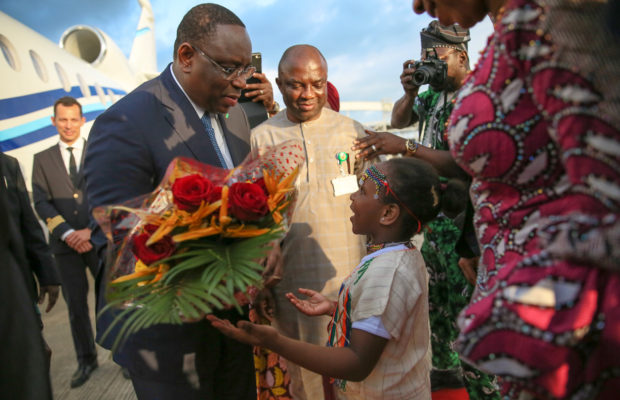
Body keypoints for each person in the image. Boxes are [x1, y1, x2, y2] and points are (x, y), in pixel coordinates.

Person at [412, 0, 620, 398]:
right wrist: (473, 243)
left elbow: (605, 187)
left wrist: (539, 298)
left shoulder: (557, 16)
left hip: (562, 316)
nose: (419, 6)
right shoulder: (508, 30)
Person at [84, 4, 258, 399]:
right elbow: (119, 238)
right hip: (167, 340)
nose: (240, 82)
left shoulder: (237, 117)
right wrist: (215, 274)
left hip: (232, 329)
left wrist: (265, 247)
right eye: (230, 68)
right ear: (185, 57)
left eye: (246, 69)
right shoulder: (127, 121)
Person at [209, 157, 461, 399]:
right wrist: (337, 309)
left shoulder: (387, 272)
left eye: (362, 191)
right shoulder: (396, 255)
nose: (352, 196)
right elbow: (387, 319)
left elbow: (356, 363)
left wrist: (275, 341)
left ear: (388, 213)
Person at [353, 21, 499, 399]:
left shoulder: (478, 97)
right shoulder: (432, 96)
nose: (427, 65)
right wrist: (411, 88)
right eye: (423, 58)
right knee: (438, 309)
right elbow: (401, 119)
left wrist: (406, 150)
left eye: (434, 58)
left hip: (469, 224)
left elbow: (466, 163)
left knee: (472, 316)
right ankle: (449, 376)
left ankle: (484, 387)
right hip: (435, 223)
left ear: (461, 56)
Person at [251, 44, 372, 399]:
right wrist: (259, 284)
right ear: (279, 83)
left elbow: (378, 203)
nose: (307, 95)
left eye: (317, 84)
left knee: (359, 380)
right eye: (295, 85)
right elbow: (256, 218)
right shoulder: (262, 139)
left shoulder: (353, 132)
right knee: (306, 380)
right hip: (293, 286)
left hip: (353, 281)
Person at [31, 96, 100, 388]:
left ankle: (122, 354)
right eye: (63, 119)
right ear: (53, 122)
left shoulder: (98, 153)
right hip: (65, 245)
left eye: (74, 119)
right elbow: (41, 202)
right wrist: (69, 233)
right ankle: (86, 360)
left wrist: (90, 230)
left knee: (111, 301)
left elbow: (107, 192)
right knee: (75, 307)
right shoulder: (42, 159)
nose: (69, 125)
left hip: (97, 240)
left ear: (82, 121)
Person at [1, 152, 60, 370]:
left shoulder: (8, 165)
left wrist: (47, 275)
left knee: (36, 358)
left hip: (16, 287)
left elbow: (28, 225)